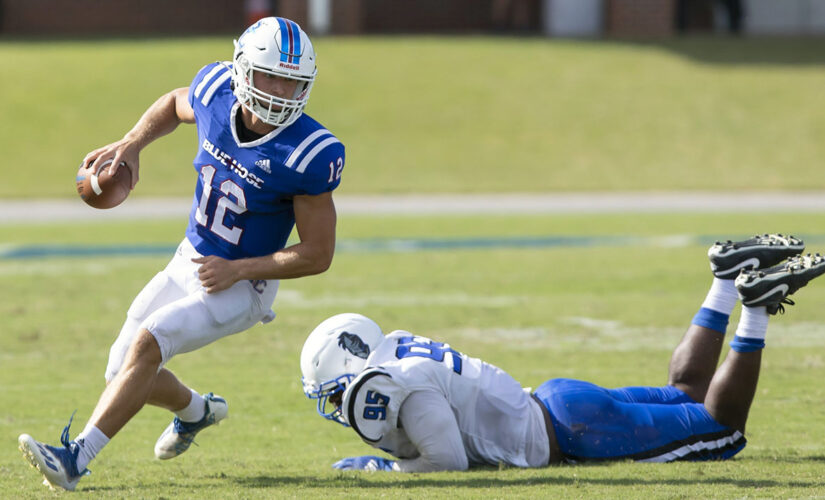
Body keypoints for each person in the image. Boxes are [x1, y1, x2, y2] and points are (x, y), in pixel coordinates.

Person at [19, 17, 344, 491]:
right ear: (242, 71)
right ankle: (197, 411)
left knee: (151, 340)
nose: (280, 92)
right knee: (120, 369)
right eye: (271, 76)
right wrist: (133, 142)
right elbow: (175, 102)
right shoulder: (216, 90)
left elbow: (318, 253)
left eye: (293, 82)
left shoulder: (307, 152)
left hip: (244, 284)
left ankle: (74, 458)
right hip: (190, 255)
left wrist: (240, 269)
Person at [300, 234, 824, 472]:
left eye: (334, 391)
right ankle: (725, 280)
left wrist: (384, 468)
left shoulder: (405, 384)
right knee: (684, 394)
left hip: (572, 431)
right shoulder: (397, 349)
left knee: (721, 430)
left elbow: (449, 461)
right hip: (558, 404)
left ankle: (752, 308)